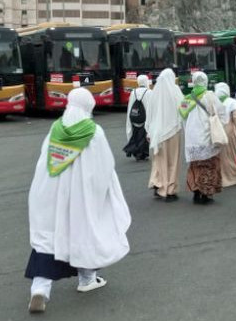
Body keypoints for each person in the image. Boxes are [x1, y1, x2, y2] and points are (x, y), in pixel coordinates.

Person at [26, 88, 131, 313]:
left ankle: (40, 289)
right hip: (81, 197)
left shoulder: (55, 129)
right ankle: (86, 279)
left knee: (48, 239)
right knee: (84, 232)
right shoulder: (94, 132)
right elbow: (104, 168)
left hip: (50, 194)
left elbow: (43, 164)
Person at [179, 72, 227, 204]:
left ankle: (196, 192)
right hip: (206, 136)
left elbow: (183, 119)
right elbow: (222, 113)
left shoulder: (186, 99)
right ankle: (205, 195)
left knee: (195, 165)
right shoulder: (210, 96)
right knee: (208, 165)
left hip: (192, 138)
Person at [146, 68, 184, 202]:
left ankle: (158, 184)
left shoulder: (154, 92)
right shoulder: (175, 90)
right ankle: (170, 190)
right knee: (172, 161)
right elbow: (183, 108)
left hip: (157, 132)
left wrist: (149, 130)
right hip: (173, 131)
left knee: (159, 160)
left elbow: (149, 113)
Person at [215, 83, 236, 187]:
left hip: (217, 132)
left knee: (221, 156)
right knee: (233, 155)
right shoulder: (232, 103)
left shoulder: (213, 102)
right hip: (230, 131)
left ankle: (222, 178)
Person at [123, 75, 153, 161]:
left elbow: (130, 106)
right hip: (145, 118)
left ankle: (137, 152)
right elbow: (151, 106)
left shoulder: (133, 92)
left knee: (136, 135)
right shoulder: (149, 92)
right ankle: (143, 153)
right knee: (143, 136)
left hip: (135, 117)